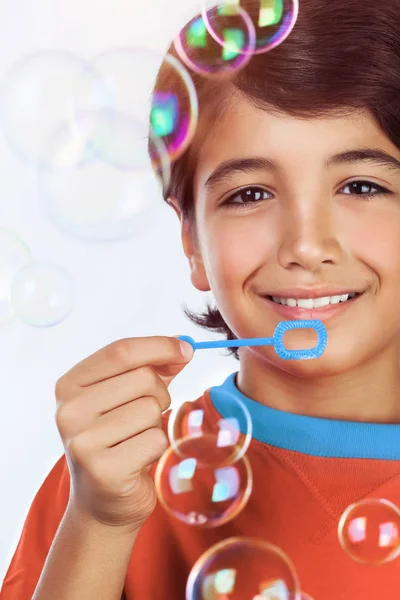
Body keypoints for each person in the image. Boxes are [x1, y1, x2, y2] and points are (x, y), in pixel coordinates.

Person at [3, 0, 400, 597]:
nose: (307, 245)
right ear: (190, 239)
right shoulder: (109, 481)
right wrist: (103, 524)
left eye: (362, 185)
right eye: (249, 194)